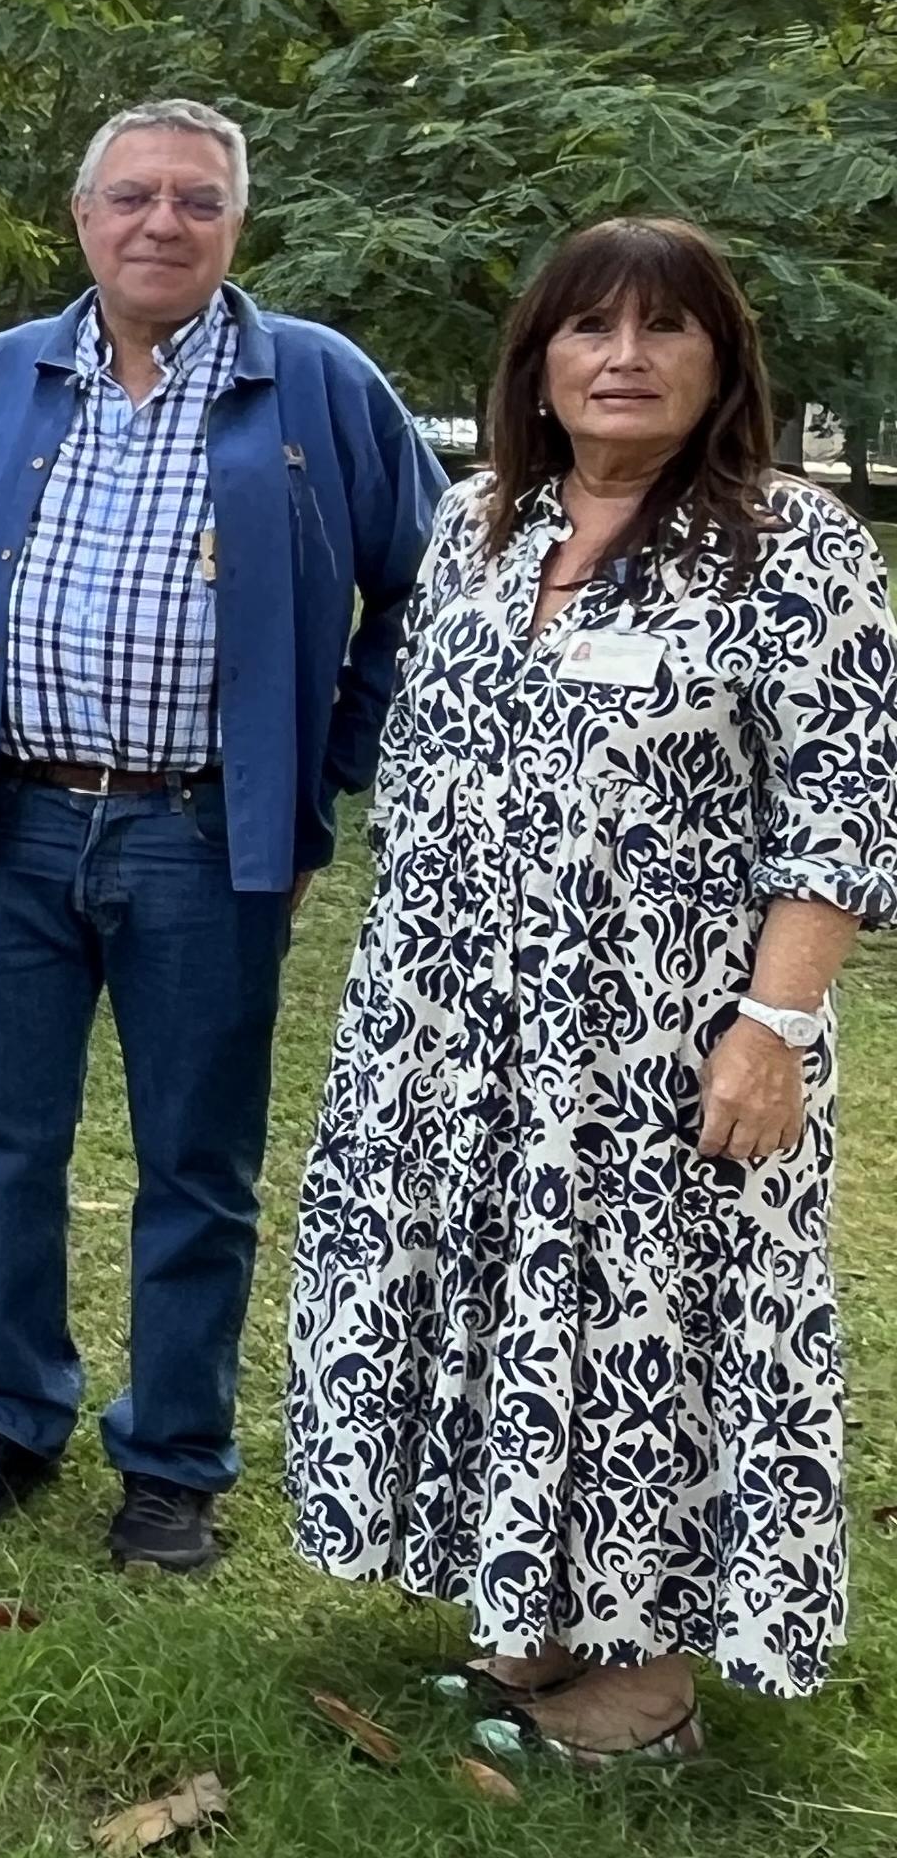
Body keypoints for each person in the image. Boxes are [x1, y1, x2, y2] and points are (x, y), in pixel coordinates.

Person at [288, 219, 897, 1759]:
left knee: (655, 1330)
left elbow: (840, 805)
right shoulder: (481, 522)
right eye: (588, 331)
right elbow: (422, 759)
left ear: (720, 360)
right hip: (453, 1022)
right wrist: (395, 1003)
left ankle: (652, 1677)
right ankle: (540, 1623)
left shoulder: (792, 546)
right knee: (501, 1299)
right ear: (539, 366)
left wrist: (776, 1027)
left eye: (663, 329)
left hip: (668, 1039)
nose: (622, 359)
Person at [0, 98, 443, 1571]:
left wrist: (324, 772)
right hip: (12, 827)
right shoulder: (0, 376)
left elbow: (435, 593)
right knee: (1, 1141)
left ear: (237, 227)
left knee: (198, 1162)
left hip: (201, 838)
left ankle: (173, 1460)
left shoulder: (313, 382)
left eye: (195, 202)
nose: (160, 225)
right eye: (132, 198)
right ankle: (12, 1414)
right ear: (83, 219)